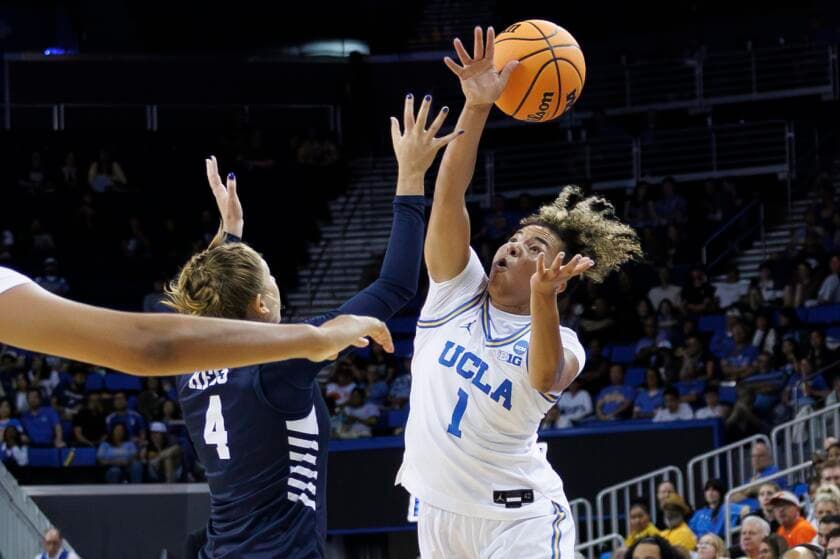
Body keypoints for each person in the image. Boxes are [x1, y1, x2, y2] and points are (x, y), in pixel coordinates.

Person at [395, 25, 643, 559]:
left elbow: (544, 376)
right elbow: (449, 198)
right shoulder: (455, 293)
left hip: (519, 518)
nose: (511, 246)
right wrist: (478, 105)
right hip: (437, 512)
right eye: (514, 238)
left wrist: (543, 299)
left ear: (556, 267)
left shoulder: (564, 341)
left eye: (533, 245)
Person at [170, 97, 456, 557]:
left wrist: (231, 236)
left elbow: (205, 305)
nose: (277, 280)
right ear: (262, 304)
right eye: (271, 275)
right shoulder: (278, 360)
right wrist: (410, 176)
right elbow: (397, 286)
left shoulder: (189, 365)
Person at [0, 266, 391, 376]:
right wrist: (315, 339)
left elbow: (205, 323)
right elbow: (153, 346)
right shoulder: (284, 361)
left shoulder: (196, 379)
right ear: (259, 302)